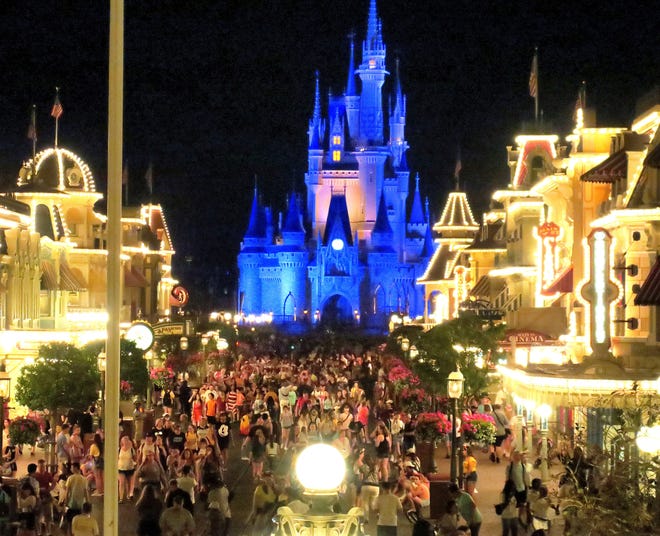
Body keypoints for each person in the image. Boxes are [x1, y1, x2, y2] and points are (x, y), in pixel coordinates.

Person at [65, 463, 89, 535]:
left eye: (72, 467)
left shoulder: (70, 478)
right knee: (79, 524)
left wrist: (65, 503)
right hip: (80, 505)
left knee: (70, 523)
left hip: (71, 504)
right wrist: (88, 503)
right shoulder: (84, 479)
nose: (71, 469)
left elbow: (67, 492)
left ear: (75, 468)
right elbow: (86, 492)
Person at [118, 436, 137, 502]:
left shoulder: (131, 450)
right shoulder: (119, 449)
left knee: (129, 482)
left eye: (126, 440)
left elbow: (135, 458)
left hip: (130, 468)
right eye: (124, 441)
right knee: (121, 482)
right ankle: (121, 498)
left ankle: (128, 495)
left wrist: (134, 463)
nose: (125, 442)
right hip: (121, 468)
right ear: (122, 442)